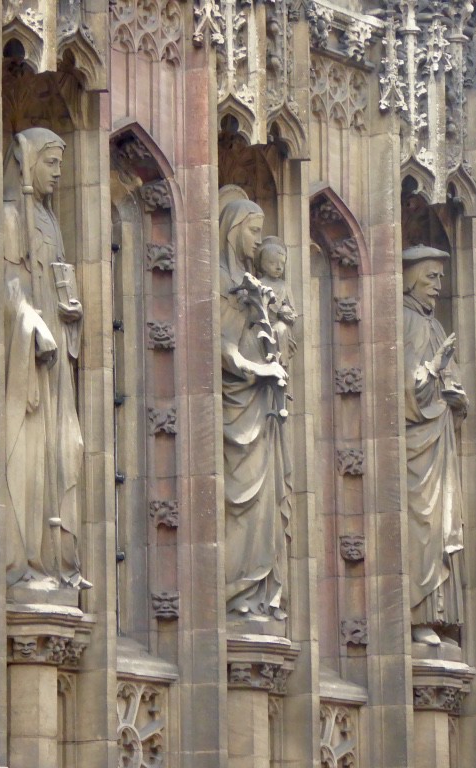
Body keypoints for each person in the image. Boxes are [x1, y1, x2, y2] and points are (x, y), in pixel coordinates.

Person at [2, 127, 89, 591]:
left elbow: (57, 284)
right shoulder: (9, 219)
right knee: (31, 456)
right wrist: (29, 321)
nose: (59, 172)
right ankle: (29, 559)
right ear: (29, 161)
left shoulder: (50, 223)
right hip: (29, 362)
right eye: (51, 162)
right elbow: (6, 288)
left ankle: (58, 560)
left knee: (67, 449)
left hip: (56, 367)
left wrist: (68, 316)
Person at [219, 197, 292, 621]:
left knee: (264, 503)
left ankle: (258, 597)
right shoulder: (222, 278)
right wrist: (256, 368)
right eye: (253, 230)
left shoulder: (252, 282)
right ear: (233, 230)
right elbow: (223, 346)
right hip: (239, 405)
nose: (259, 240)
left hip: (260, 412)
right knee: (242, 498)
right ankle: (238, 594)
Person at [402, 244, 467, 646]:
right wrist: (433, 369)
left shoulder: (437, 326)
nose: (439, 287)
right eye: (431, 277)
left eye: (441, 278)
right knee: (423, 522)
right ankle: (418, 614)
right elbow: (405, 389)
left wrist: (456, 395)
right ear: (411, 278)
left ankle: (440, 617)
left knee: (443, 522)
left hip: (440, 437)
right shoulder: (405, 321)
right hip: (417, 444)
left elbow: (450, 380)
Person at [254, 236, 298, 369]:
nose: (279, 268)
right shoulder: (258, 284)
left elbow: (293, 313)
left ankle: (280, 366)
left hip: (279, 326)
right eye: (273, 263)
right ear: (263, 263)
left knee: (281, 328)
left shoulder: (284, 286)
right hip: (261, 325)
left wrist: (286, 312)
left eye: (282, 264)